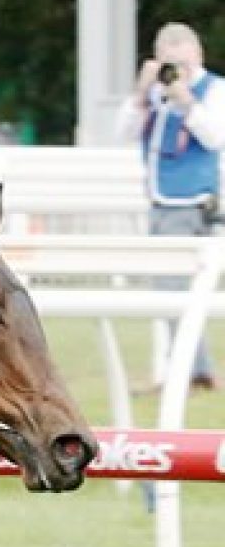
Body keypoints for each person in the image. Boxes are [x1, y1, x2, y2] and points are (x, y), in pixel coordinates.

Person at [118, 21, 225, 391]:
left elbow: (214, 136)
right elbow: (123, 134)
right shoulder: (153, 96)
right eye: (168, 61)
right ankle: (195, 372)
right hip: (160, 199)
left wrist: (185, 99)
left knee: (172, 291)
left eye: (182, 60)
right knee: (172, 292)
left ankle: (188, 373)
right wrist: (142, 91)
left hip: (191, 201)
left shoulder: (213, 90)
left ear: (198, 55)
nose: (175, 70)